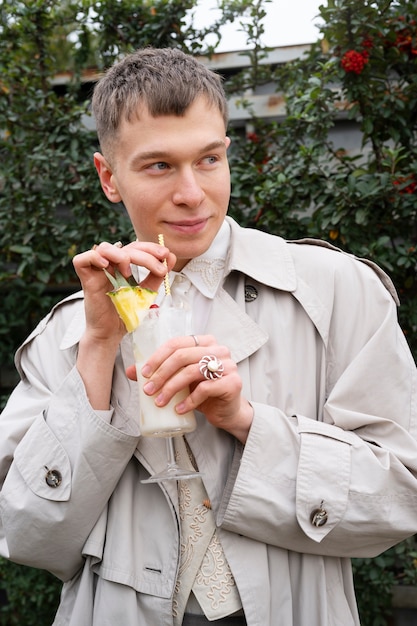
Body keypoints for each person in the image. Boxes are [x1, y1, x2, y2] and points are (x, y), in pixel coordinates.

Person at [1, 47, 417, 626]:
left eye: (209, 159)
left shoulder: (340, 292)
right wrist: (97, 349)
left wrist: (248, 423)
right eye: (158, 166)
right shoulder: (66, 334)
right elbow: (28, 536)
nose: (192, 193)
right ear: (108, 177)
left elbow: (402, 497)